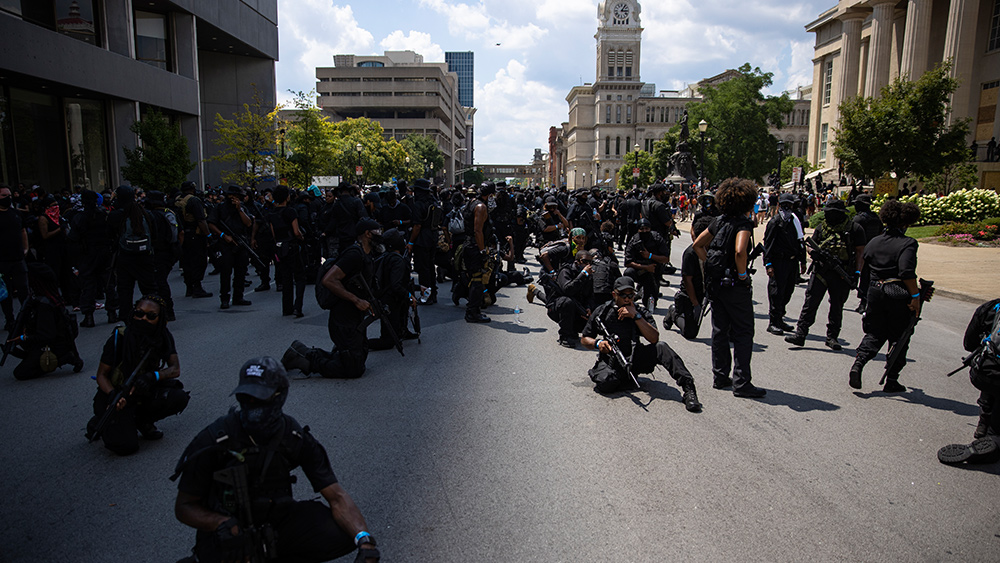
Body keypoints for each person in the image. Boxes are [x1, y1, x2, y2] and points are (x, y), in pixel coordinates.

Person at [172, 356, 380, 563]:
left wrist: (365, 542)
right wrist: (219, 523)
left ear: (280, 395)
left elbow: (336, 496)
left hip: (275, 525)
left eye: (260, 398)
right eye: (246, 398)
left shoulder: (293, 437)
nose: (252, 406)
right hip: (230, 534)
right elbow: (184, 506)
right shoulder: (215, 439)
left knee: (339, 531)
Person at [580, 276, 701, 412]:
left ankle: (689, 389)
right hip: (612, 361)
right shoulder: (603, 311)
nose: (627, 299)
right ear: (614, 294)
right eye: (623, 295)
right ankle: (623, 379)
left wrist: (636, 316)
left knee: (662, 347)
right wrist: (598, 343)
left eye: (630, 295)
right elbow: (584, 338)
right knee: (605, 385)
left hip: (635, 357)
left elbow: (654, 338)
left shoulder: (639, 312)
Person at [87, 294, 189, 455]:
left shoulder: (162, 336)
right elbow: (101, 375)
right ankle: (101, 420)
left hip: (143, 391)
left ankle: (142, 421)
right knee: (126, 447)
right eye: (139, 313)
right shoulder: (119, 338)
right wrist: (112, 394)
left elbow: (175, 369)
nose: (143, 319)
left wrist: (152, 377)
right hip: (115, 395)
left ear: (160, 319)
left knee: (178, 397)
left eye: (151, 316)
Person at [281, 218, 380, 379]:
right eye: (378, 231)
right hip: (343, 318)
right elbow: (329, 280)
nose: (380, 235)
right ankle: (305, 358)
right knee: (353, 370)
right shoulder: (354, 254)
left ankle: (305, 352)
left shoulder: (367, 255)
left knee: (358, 359)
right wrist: (356, 300)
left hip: (354, 318)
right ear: (368, 234)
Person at [693, 178, 765, 398]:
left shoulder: (719, 221)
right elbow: (740, 251)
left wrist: (711, 265)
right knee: (743, 332)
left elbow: (697, 245)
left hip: (716, 284)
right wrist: (742, 275)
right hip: (734, 285)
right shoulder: (743, 224)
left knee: (719, 330)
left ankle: (720, 375)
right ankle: (742, 382)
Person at [849, 199, 922, 393]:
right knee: (899, 336)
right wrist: (915, 296)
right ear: (905, 222)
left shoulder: (874, 241)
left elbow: (866, 266)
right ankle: (892, 379)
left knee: (874, 333)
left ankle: (858, 364)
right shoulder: (908, 243)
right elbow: (906, 272)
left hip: (874, 292)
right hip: (897, 294)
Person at [784, 200, 866, 350]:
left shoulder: (854, 228)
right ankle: (800, 334)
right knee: (810, 303)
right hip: (821, 270)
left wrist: (857, 272)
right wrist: (813, 253)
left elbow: (860, 252)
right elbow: (810, 244)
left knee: (837, 306)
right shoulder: (822, 227)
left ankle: (832, 337)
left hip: (841, 273)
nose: (828, 215)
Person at [6, 263, 84, 380]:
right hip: (52, 340)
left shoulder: (44, 305)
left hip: (54, 344)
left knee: (21, 373)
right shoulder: (45, 298)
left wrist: (23, 338)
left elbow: (46, 335)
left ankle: (63, 358)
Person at [108, 185, 159, 321]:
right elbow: (155, 236)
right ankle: (154, 315)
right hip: (145, 256)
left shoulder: (116, 215)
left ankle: (127, 318)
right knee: (149, 289)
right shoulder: (146, 214)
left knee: (125, 290)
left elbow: (110, 235)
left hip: (125, 256)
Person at [663, 215, 714, 339]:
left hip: (706, 292)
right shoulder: (690, 253)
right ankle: (674, 312)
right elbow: (687, 280)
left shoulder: (714, 251)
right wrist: (695, 304)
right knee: (690, 333)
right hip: (689, 295)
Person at [763, 193, 806, 335]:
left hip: (792, 262)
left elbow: (800, 241)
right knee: (776, 292)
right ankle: (773, 322)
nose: (787, 208)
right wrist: (768, 264)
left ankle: (780, 318)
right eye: (784, 205)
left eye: (790, 205)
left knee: (788, 291)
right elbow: (768, 244)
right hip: (778, 262)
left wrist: (803, 261)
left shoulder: (794, 221)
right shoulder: (775, 222)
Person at [369, 228, 418, 350]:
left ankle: (402, 330)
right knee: (388, 341)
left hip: (388, 298)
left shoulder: (387, 257)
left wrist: (416, 288)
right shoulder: (397, 260)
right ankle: (361, 345)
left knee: (396, 324)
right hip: (390, 300)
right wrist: (409, 296)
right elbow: (396, 285)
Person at [208, 185, 254, 310]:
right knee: (225, 272)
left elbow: (248, 223)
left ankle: (238, 296)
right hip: (225, 244)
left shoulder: (242, 208)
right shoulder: (220, 208)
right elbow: (211, 223)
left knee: (241, 271)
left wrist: (239, 209)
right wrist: (223, 235)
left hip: (240, 243)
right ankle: (224, 298)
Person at [268, 186, 307, 317]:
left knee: (286, 278)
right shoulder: (290, 211)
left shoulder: (272, 213)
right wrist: (301, 237)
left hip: (280, 247)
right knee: (300, 277)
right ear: (287, 197)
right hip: (292, 246)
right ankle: (298, 307)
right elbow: (296, 231)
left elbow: (273, 234)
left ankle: (287, 308)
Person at [546, 250, 595, 348]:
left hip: (577, 308)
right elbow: (568, 290)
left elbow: (590, 295)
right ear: (577, 261)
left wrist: (588, 307)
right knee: (567, 302)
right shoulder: (566, 271)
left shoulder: (588, 276)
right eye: (585, 261)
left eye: (590, 262)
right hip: (557, 308)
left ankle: (572, 330)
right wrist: (582, 274)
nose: (588, 265)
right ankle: (564, 336)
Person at [463, 183, 495, 323]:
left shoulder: (471, 203)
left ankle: (474, 310)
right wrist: (482, 251)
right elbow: (478, 231)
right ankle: (472, 312)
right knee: (477, 280)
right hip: (475, 246)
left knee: (475, 279)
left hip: (469, 244)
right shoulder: (481, 207)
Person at [623, 218, 671, 311]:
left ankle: (643, 293)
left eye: (646, 228)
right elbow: (628, 262)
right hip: (639, 270)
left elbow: (666, 258)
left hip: (653, 271)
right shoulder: (634, 240)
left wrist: (649, 256)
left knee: (650, 304)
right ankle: (630, 295)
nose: (644, 231)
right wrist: (645, 267)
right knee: (628, 273)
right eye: (642, 229)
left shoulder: (657, 238)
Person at [0, 184, 29, 333]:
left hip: (18, 259)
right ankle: (9, 319)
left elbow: (23, 230)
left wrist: (26, 248)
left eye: (9, 195)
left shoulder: (16, 214)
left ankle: (26, 318)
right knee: (6, 294)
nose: (8, 198)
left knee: (24, 290)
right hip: (2, 261)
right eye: (4, 196)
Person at [176, 181, 213, 299]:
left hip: (183, 234)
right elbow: (201, 220)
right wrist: (208, 235)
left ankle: (189, 287)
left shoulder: (177, 200)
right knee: (199, 261)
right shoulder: (194, 201)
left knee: (187, 262)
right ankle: (197, 287)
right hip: (195, 234)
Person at [408, 179, 440, 305]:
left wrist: (411, 242)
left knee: (423, 269)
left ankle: (426, 295)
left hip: (422, 239)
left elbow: (417, 226)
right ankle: (433, 293)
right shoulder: (434, 202)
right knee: (430, 266)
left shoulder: (418, 204)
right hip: (433, 236)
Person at [851, 194, 883, 313]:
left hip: (860, 251)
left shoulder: (858, 219)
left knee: (858, 276)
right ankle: (865, 301)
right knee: (868, 278)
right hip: (874, 251)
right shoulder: (876, 218)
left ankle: (862, 302)